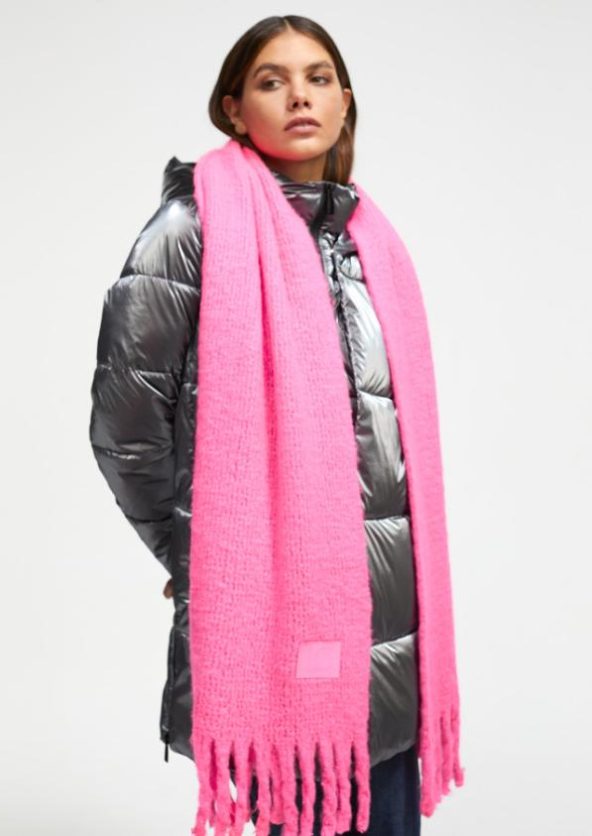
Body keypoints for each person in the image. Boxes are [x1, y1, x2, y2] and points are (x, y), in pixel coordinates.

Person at [89, 14, 464, 836]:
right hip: (280, 619)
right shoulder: (191, 230)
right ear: (233, 108)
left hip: (394, 629)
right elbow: (126, 424)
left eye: (318, 77)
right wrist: (197, 551)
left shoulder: (371, 240)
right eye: (272, 80)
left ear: (344, 101)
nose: (300, 95)